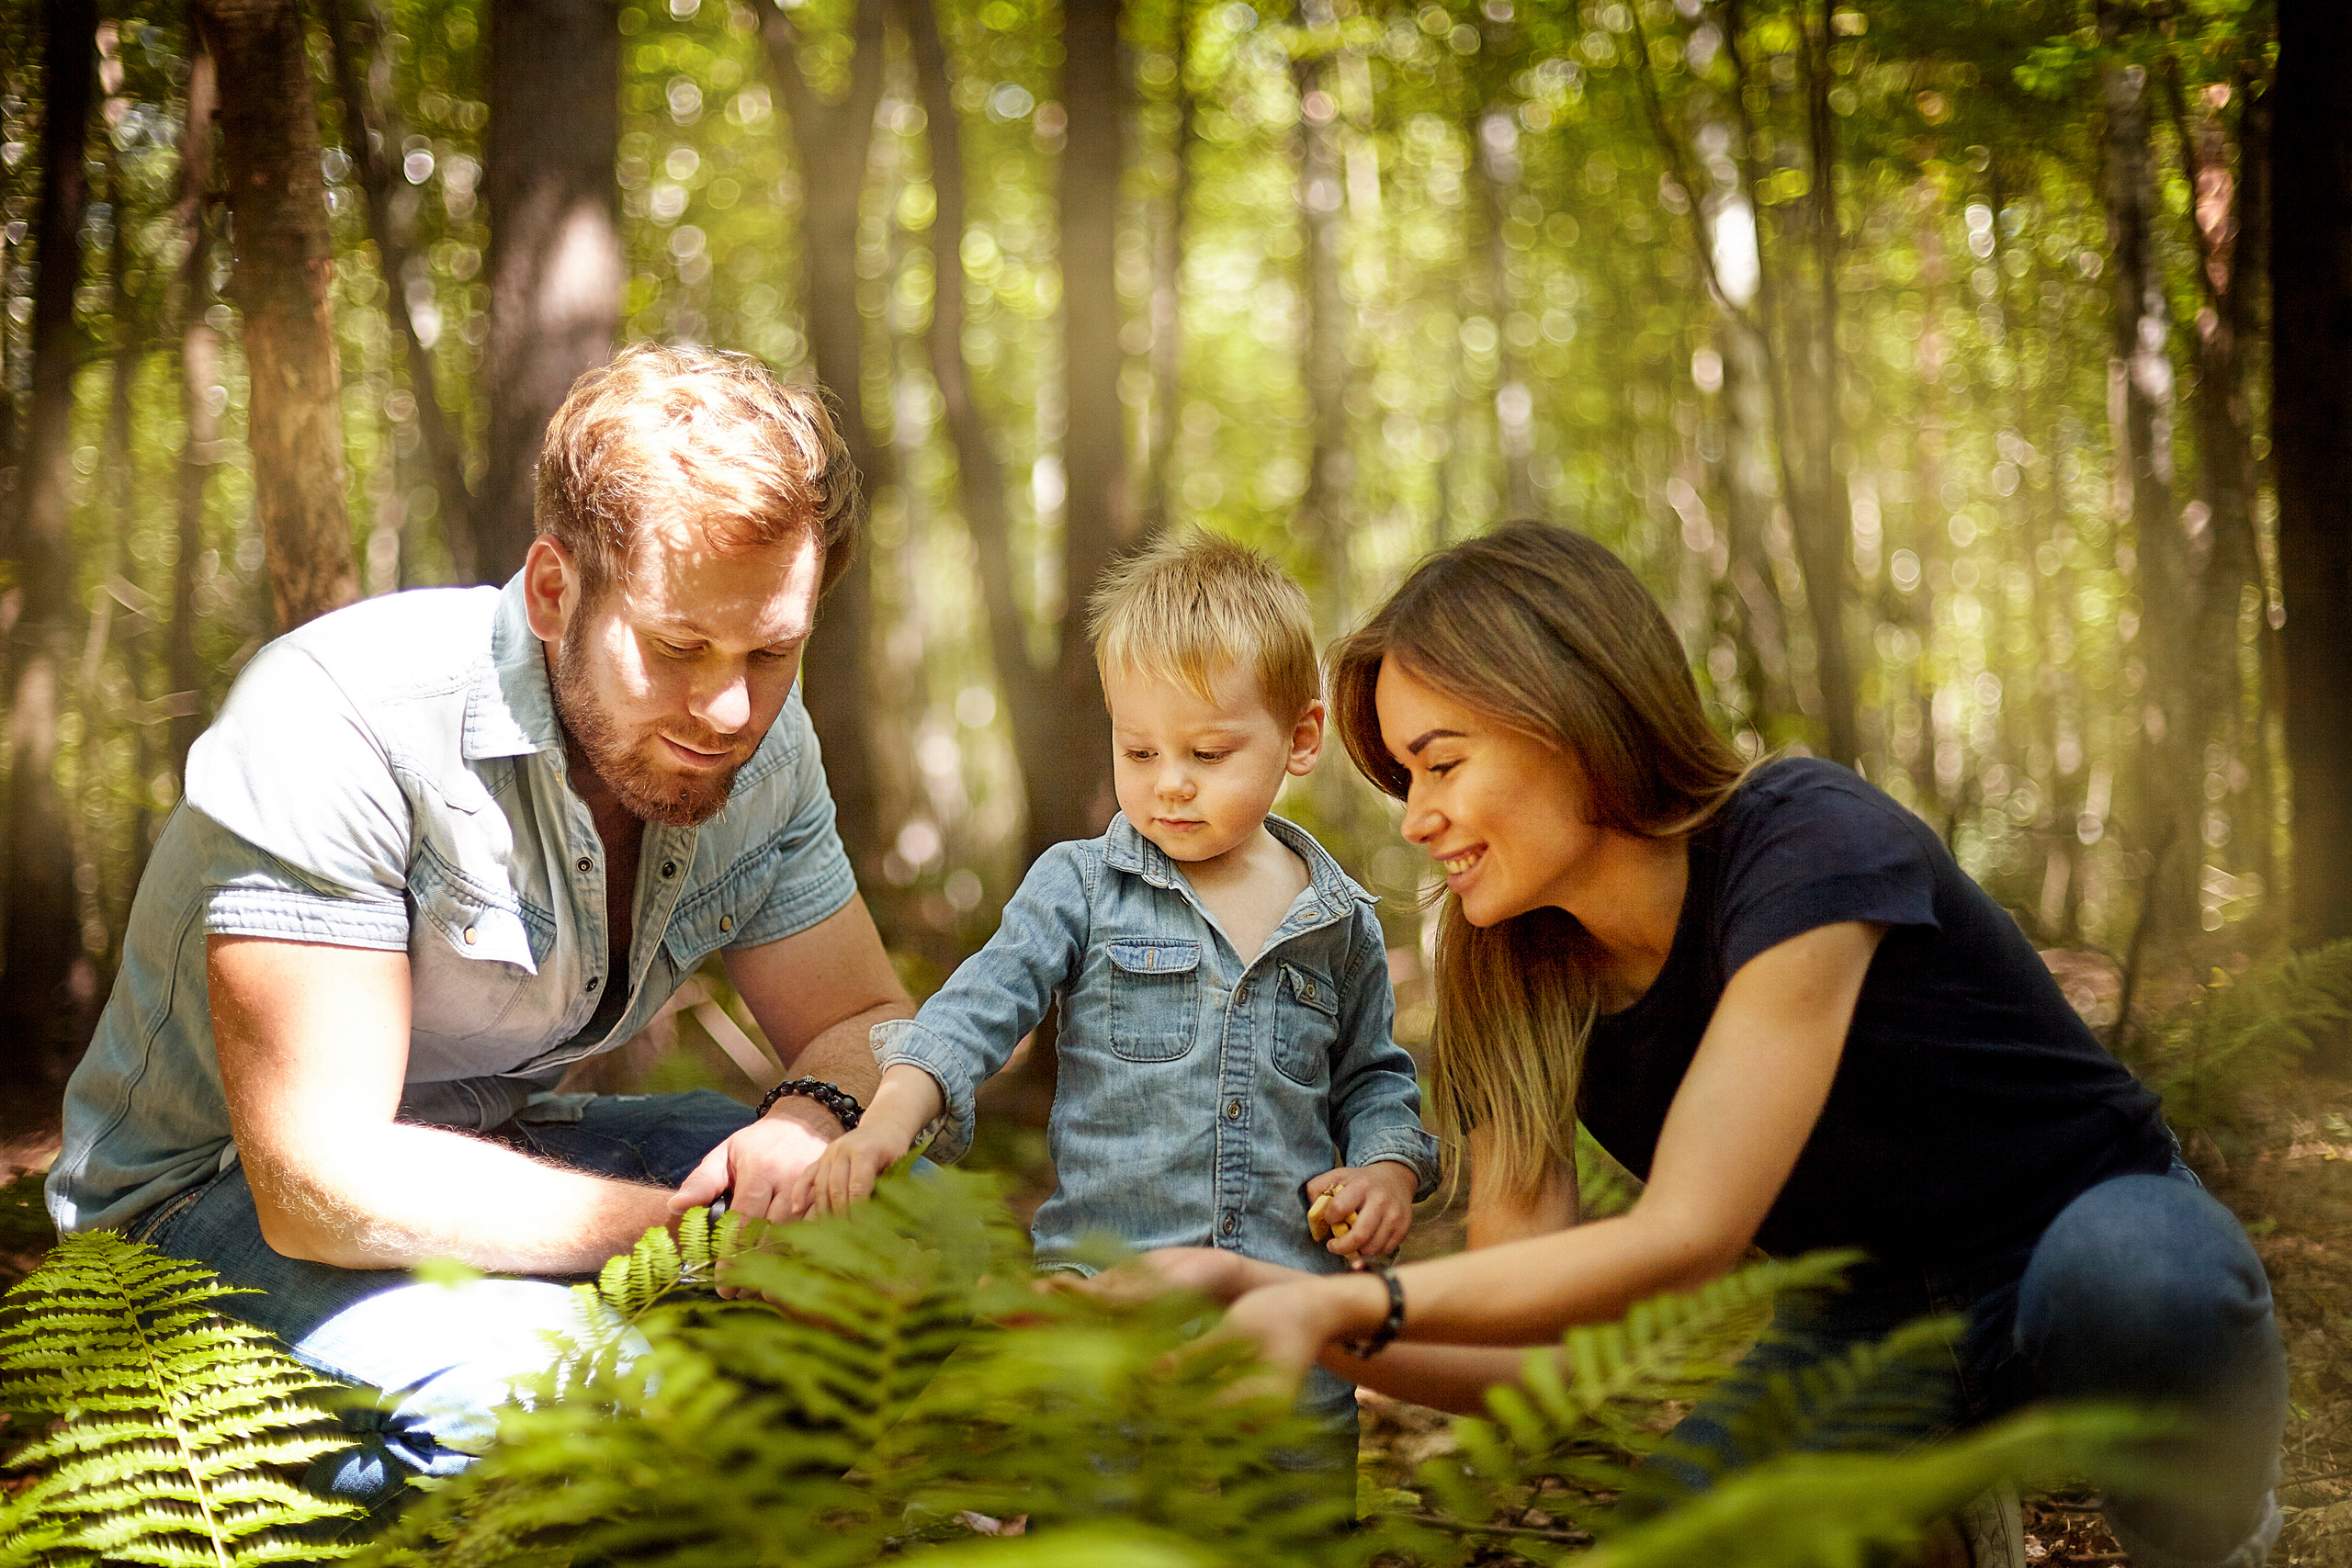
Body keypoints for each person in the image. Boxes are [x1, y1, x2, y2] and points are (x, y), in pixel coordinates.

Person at [1131, 523, 2286, 1568]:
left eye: (1442, 762)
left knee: (2131, 1277)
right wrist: (1276, 1305)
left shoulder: (1809, 841)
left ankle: (2212, 1539)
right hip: (1872, 1323)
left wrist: (1345, 1308)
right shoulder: (1507, 969)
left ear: (1571, 719)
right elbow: (1539, 1360)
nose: (1414, 813)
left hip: (2095, 1233)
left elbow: (1690, 1233)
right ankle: (1934, 1516)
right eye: (1404, 777)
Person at [46, 344, 915, 1514]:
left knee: (889, 1233)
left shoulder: (768, 737)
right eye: (676, 648)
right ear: (555, 591)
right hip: (205, 1210)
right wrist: (676, 1241)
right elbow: (316, 1178)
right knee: (600, 1404)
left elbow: (865, 1020)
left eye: (772, 651)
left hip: (490, 1152)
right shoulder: (337, 716)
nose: (729, 710)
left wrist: (816, 1125)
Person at [800, 530, 1440, 1435]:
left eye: (1207, 754)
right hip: (1106, 1296)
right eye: (1139, 752)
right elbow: (974, 1013)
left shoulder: (1339, 921)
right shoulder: (1079, 888)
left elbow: (1374, 1076)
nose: (1168, 785)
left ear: (1299, 738)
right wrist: (882, 1129)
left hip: (1285, 1303)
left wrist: (1384, 1171)